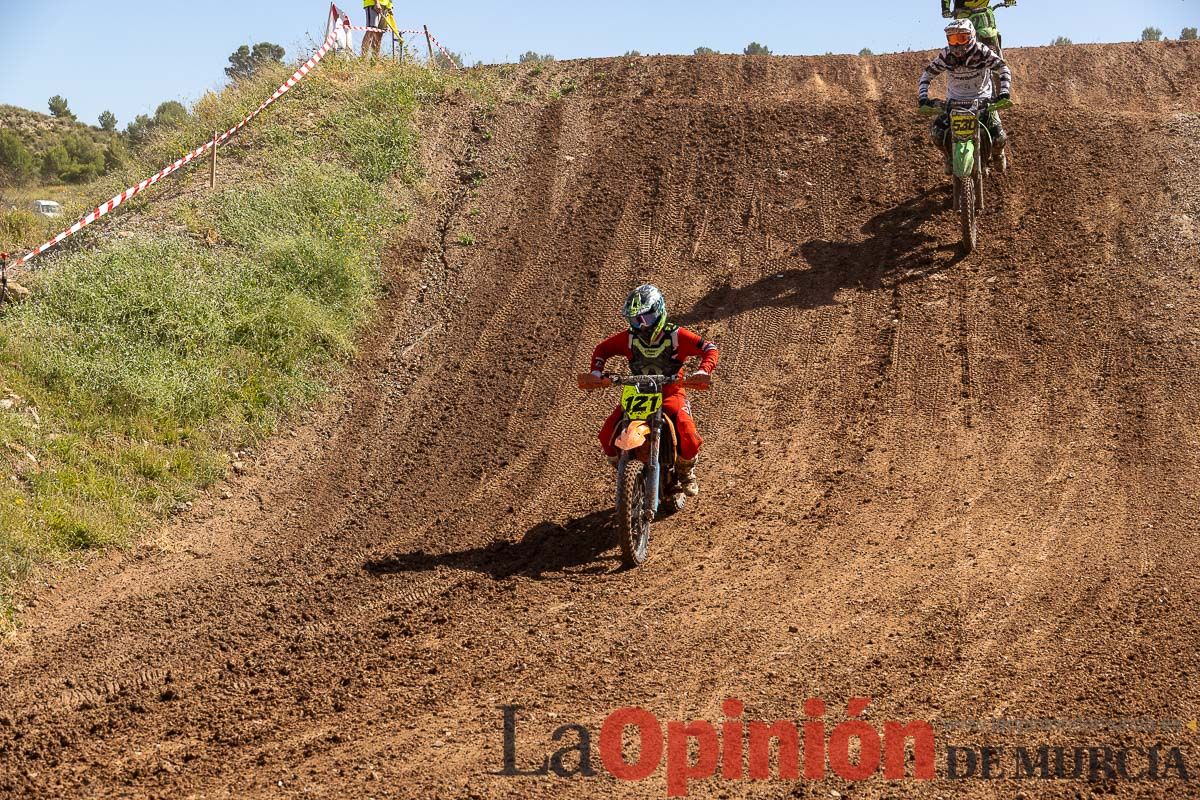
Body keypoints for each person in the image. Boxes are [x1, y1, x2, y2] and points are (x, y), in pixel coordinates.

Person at [590, 284, 719, 497]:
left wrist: (703, 371)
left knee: (688, 434)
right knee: (606, 435)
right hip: (638, 392)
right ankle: (626, 473)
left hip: (670, 391)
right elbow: (602, 349)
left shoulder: (676, 335)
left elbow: (709, 348)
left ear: (658, 311)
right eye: (634, 320)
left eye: (646, 318)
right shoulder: (629, 338)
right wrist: (596, 372)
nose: (641, 325)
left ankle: (686, 472)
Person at [918, 19, 1013, 173]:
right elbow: (927, 75)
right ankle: (949, 157)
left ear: (972, 36)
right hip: (954, 103)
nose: (956, 44)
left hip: (983, 102)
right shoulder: (946, 55)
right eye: (952, 39)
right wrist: (923, 98)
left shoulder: (982, 52)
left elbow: (1003, 68)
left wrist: (1004, 92)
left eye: (961, 38)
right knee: (936, 134)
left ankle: (997, 154)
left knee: (999, 138)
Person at [941, 0, 1016, 53]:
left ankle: (999, 61)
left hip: (984, 10)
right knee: (961, 41)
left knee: (992, 28)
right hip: (963, 13)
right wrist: (945, 9)